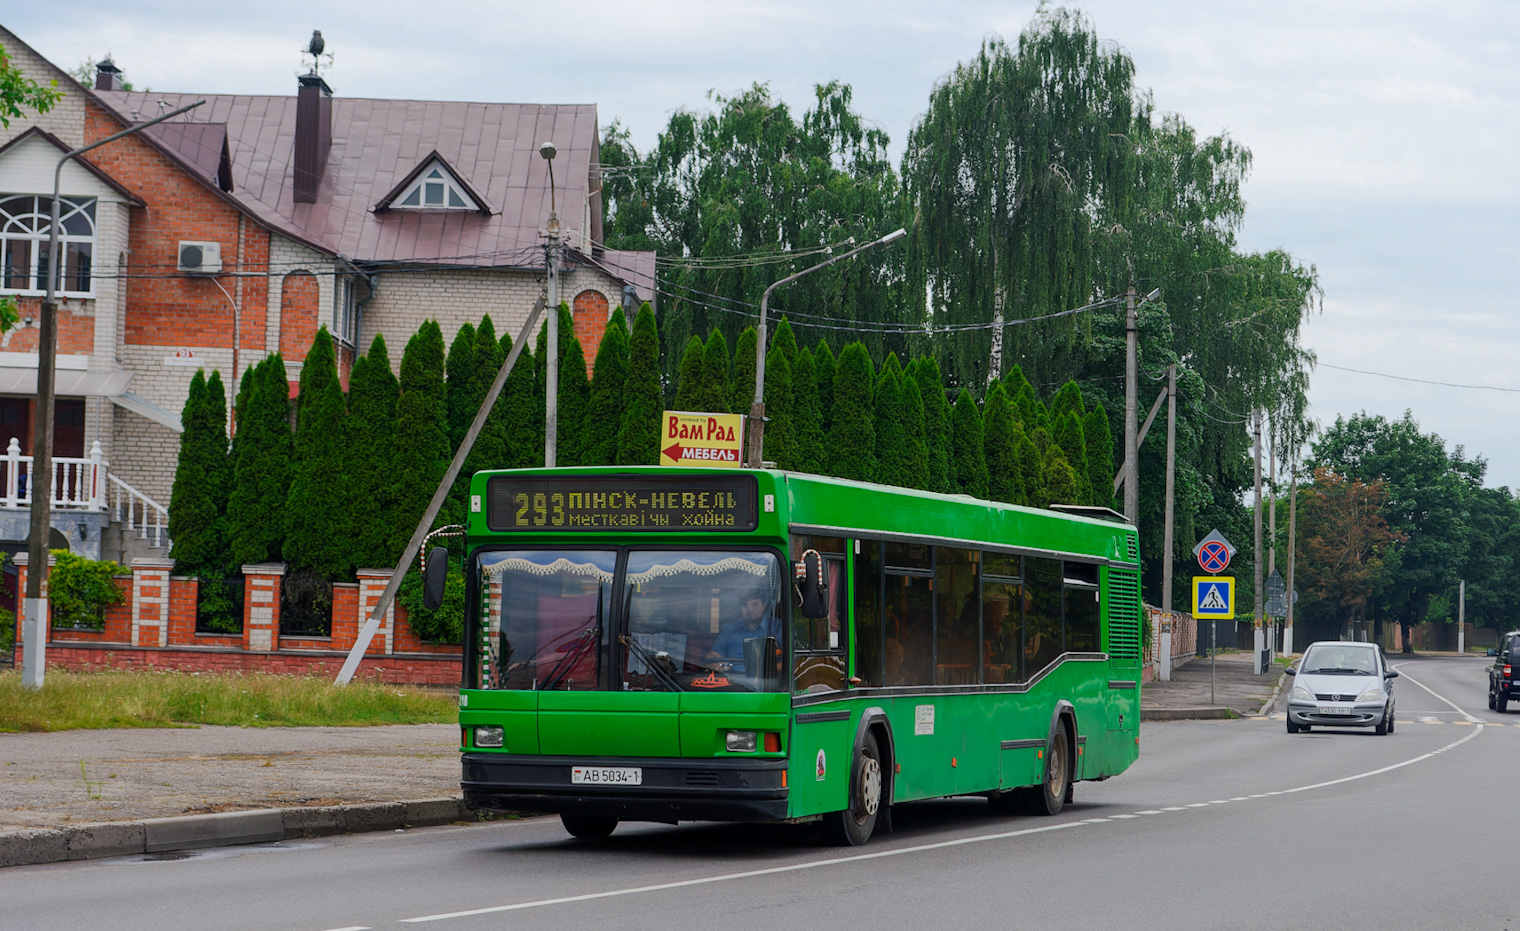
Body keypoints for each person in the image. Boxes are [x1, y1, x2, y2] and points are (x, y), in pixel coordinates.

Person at [707, 590, 781, 669]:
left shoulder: (778, 627)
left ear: (764, 605)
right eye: (745, 605)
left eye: (754, 604)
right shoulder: (730, 628)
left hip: (766, 680)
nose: (750, 609)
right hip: (732, 679)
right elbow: (713, 656)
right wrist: (716, 665)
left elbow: (792, 660)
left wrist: (769, 670)